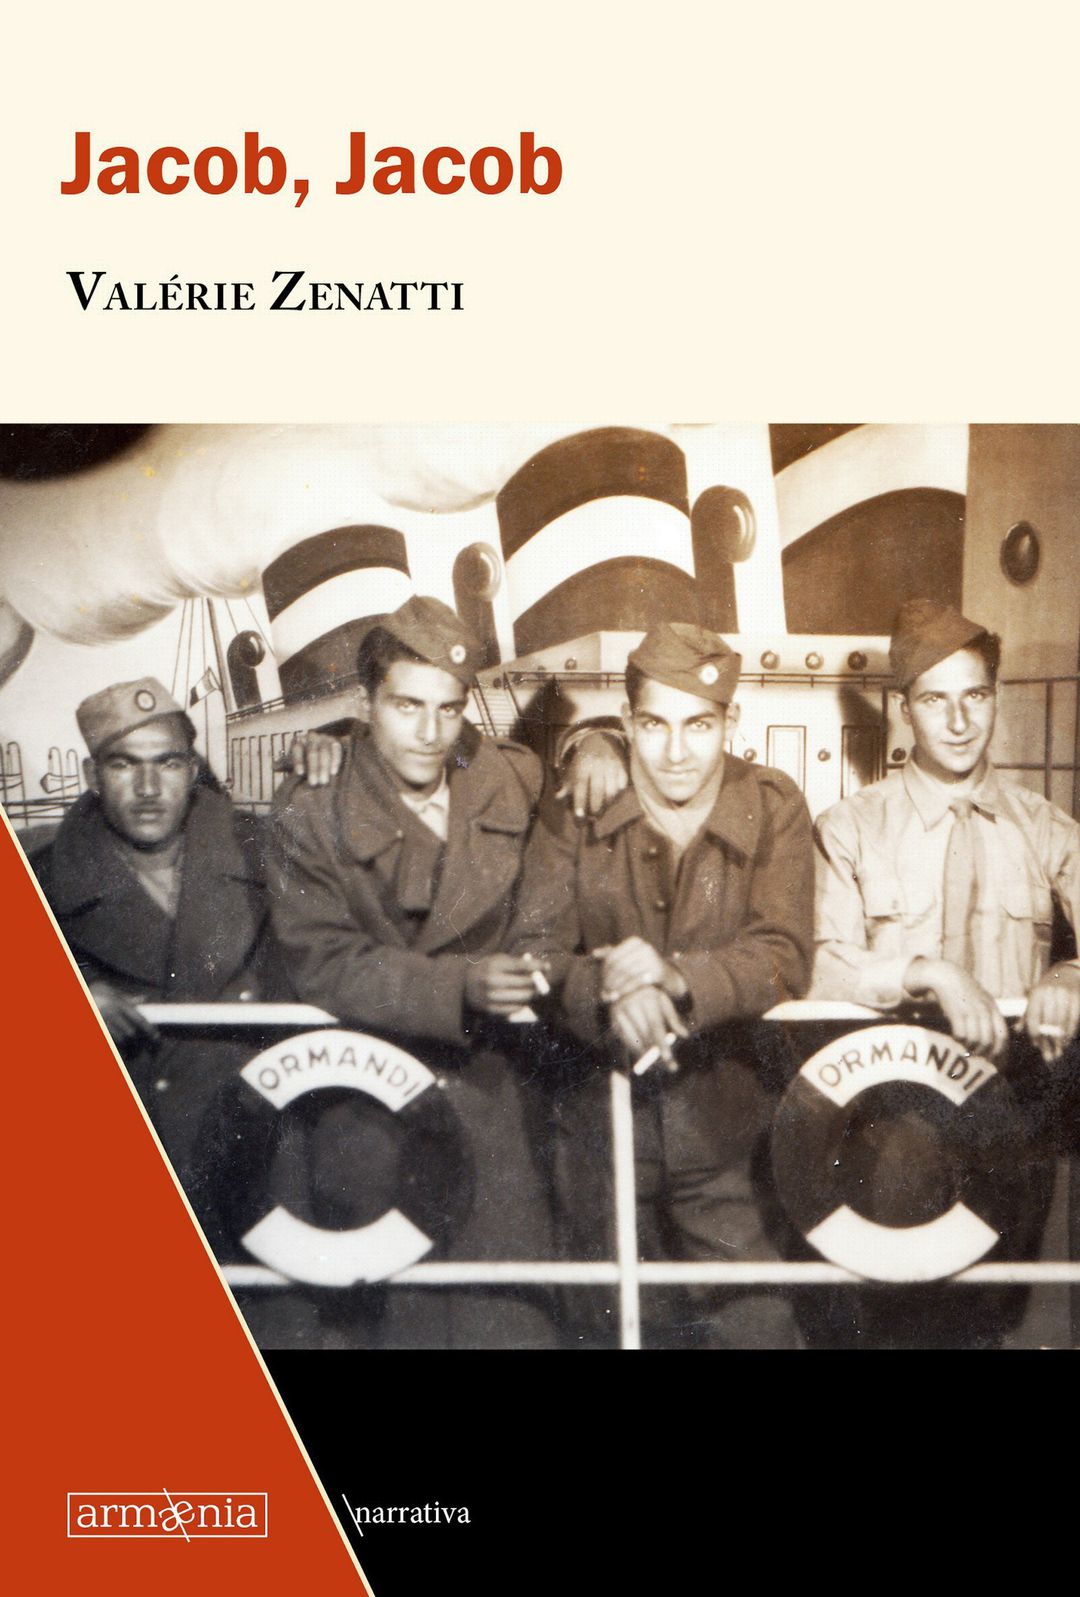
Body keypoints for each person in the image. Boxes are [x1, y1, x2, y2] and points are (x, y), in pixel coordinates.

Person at [510, 621, 814, 1348]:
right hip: (599, 1128)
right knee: (607, 1327)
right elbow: (531, 951)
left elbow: (784, 952)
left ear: (731, 722)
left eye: (698, 725)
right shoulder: (575, 808)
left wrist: (675, 976)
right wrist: (611, 987)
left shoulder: (774, 805)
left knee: (759, 1324)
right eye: (654, 725)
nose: (676, 752)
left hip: (732, 1128)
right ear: (627, 720)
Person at [268, 596, 557, 1349]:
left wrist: (599, 742)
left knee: (508, 1317)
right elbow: (324, 960)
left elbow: (552, 905)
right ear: (366, 704)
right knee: (400, 1327)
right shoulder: (312, 809)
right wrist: (457, 988)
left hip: (492, 1101)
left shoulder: (509, 780)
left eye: (448, 709)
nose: (430, 733)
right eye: (406, 706)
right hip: (368, 1111)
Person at [810, 598, 1080, 1346]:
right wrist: (926, 971)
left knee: (996, 1319)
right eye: (935, 700)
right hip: (892, 1115)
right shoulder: (851, 827)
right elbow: (818, 964)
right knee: (899, 1322)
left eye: (976, 696)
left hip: (1014, 1116)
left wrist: (1071, 974)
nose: (960, 721)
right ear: (904, 709)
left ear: (994, 699)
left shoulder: (1048, 829)